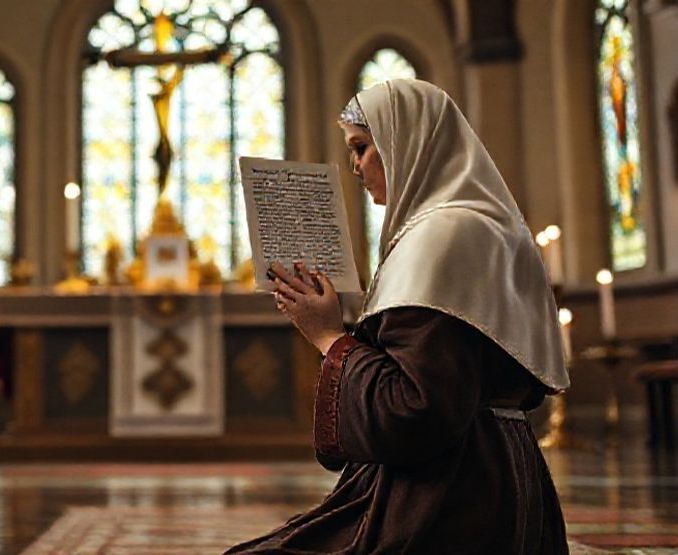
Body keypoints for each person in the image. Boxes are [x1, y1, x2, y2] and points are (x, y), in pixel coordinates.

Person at [226, 80, 570, 554]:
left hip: (451, 499)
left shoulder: (444, 235)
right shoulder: (478, 223)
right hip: (490, 475)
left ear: (403, 141)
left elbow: (414, 412)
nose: (354, 166)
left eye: (362, 147)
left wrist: (329, 337)